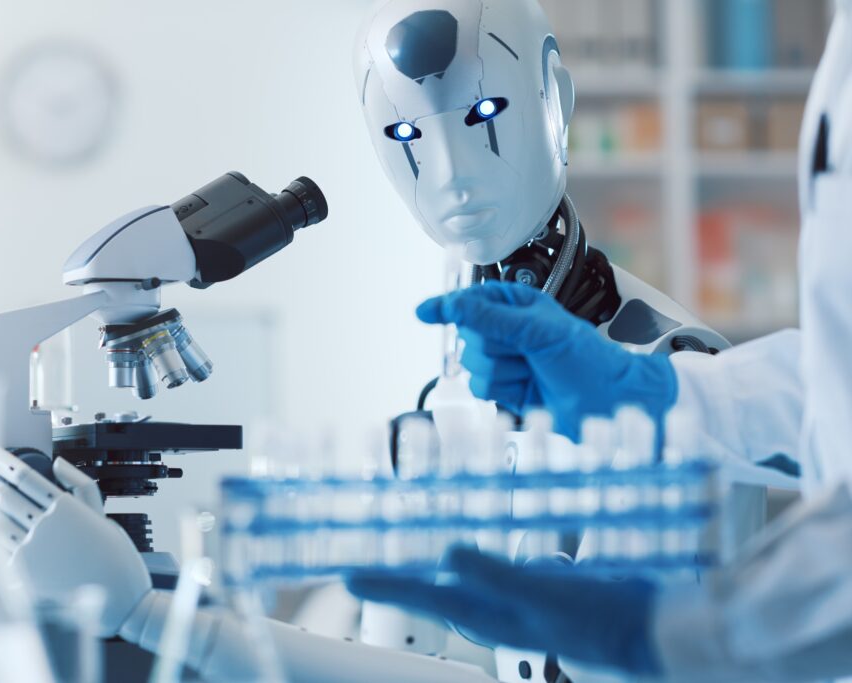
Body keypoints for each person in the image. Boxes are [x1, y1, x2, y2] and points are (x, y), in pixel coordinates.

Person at [346, 1, 852, 680]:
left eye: (484, 115)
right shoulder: (454, 379)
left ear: (557, 97)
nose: (452, 173)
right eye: (405, 132)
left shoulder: (667, 343)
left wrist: (686, 629)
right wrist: (661, 399)